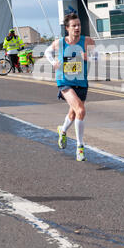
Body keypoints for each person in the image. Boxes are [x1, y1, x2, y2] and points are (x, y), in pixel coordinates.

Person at [44, 13, 95, 161]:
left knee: (74, 114)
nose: (77, 28)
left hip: (81, 81)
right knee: (81, 110)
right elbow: (47, 51)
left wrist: (88, 57)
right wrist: (53, 62)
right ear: (67, 28)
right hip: (64, 80)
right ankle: (80, 147)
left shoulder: (87, 41)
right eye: (74, 26)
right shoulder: (60, 43)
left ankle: (63, 130)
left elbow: (97, 56)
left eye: (79, 25)